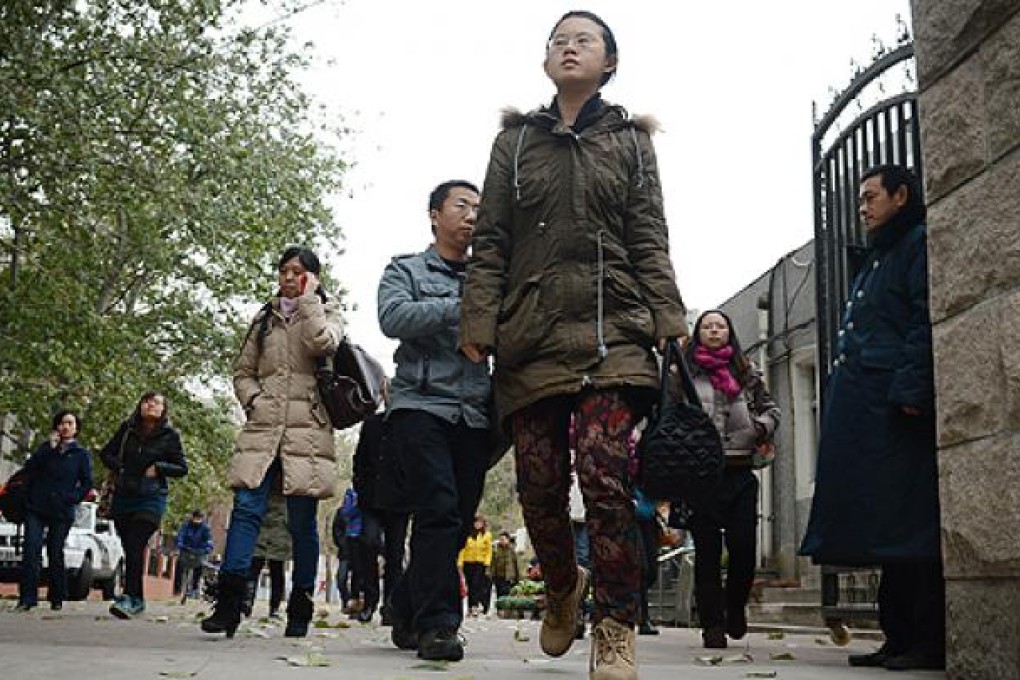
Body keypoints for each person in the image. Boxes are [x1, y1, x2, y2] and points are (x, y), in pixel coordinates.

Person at [458, 10, 687, 680]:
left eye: (583, 40)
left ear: (609, 61)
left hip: (614, 331)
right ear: (545, 61)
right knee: (538, 486)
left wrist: (667, 315)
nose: (568, 47)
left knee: (605, 476)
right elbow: (491, 240)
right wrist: (479, 323)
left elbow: (648, 234)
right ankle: (563, 585)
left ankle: (615, 628)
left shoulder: (631, 142)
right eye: (558, 40)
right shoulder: (515, 143)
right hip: (531, 333)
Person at [800, 164, 944, 671]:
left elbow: (924, 318)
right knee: (886, 526)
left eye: (870, 197)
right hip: (867, 407)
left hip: (897, 406)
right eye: (860, 199)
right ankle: (896, 637)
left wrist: (911, 389)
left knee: (911, 525)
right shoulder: (879, 256)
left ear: (900, 196)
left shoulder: (917, 243)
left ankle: (927, 640)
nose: (862, 208)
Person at [202, 245, 343, 639]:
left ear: (312, 277)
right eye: (284, 271)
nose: (289, 278)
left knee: (302, 522)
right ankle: (228, 605)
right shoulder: (264, 319)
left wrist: (310, 301)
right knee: (246, 509)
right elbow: (242, 371)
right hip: (263, 429)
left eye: (298, 271)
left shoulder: (329, 313)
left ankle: (300, 606)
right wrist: (254, 400)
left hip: (307, 432)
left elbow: (322, 343)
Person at [377, 179, 492, 661]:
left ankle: (405, 605)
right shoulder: (405, 269)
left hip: (473, 413)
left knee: (457, 521)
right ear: (434, 215)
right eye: (461, 205)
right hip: (419, 407)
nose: (471, 215)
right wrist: (461, 310)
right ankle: (439, 625)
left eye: (478, 208)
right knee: (438, 509)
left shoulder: (491, 276)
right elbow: (393, 317)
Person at [683, 310, 780, 649]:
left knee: (743, 548)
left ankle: (735, 606)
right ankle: (712, 624)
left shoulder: (746, 371)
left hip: (740, 470)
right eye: (707, 326)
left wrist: (758, 428)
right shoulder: (685, 373)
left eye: (720, 326)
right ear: (698, 333)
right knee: (707, 552)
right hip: (701, 474)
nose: (714, 331)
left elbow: (771, 410)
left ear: (730, 332)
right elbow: (670, 413)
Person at [101, 391, 188, 618]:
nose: (150, 405)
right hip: (124, 495)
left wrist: (159, 467)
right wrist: (120, 467)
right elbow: (106, 453)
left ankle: (129, 597)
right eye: (146, 401)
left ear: (163, 409)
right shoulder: (127, 429)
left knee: (135, 541)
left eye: (156, 402)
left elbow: (182, 468)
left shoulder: (170, 435)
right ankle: (136, 598)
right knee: (130, 548)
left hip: (151, 497)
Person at [16, 410, 93, 612]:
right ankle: (27, 598)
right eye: (61, 423)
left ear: (76, 429)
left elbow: (87, 483)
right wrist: (47, 450)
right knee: (31, 550)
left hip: (62, 510)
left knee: (55, 551)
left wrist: (72, 498)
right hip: (36, 506)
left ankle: (57, 596)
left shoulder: (81, 455)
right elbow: (29, 470)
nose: (65, 427)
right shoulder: (45, 449)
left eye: (70, 423)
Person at [352, 410, 410, 626]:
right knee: (368, 542)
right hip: (371, 499)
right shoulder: (371, 423)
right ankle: (369, 600)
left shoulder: (410, 424)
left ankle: (391, 606)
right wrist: (360, 484)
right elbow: (360, 457)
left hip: (400, 501)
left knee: (395, 555)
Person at [248, 488, 290, 619]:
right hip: (266, 530)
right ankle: (248, 603)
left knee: (273, 570)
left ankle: (272, 606)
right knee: (256, 568)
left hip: (278, 531)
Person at [458, 516, 493, 616]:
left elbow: (489, 550)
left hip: (480, 562)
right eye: (476, 522)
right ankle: (470, 607)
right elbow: (462, 549)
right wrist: (460, 563)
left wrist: (487, 563)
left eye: (480, 523)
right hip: (468, 562)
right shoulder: (468, 534)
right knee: (469, 584)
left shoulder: (487, 535)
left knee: (476, 584)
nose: (478, 524)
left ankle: (475, 606)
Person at [175, 509, 213, 598]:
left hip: (198, 551)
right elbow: (181, 535)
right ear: (192, 517)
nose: (197, 520)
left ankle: (194, 588)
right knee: (179, 565)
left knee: (199, 567)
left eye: (199, 518)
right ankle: (177, 588)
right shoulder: (186, 526)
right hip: (186, 549)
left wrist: (207, 548)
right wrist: (180, 543)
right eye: (196, 518)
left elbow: (208, 540)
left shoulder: (205, 528)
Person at [331, 505, 352, 609]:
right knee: (341, 579)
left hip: (361, 551)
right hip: (345, 553)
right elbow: (336, 530)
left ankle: (357, 605)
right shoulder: (342, 511)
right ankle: (346, 600)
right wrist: (343, 544)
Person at [490, 531, 520, 600]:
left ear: (507, 539)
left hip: (508, 578)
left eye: (503, 539)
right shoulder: (495, 550)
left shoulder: (511, 550)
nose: (501, 541)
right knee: (499, 596)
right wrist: (491, 575)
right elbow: (493, 563)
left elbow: (515, 564)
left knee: (507, 596)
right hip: (498, 577)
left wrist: (517, 578)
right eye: (500, 539)